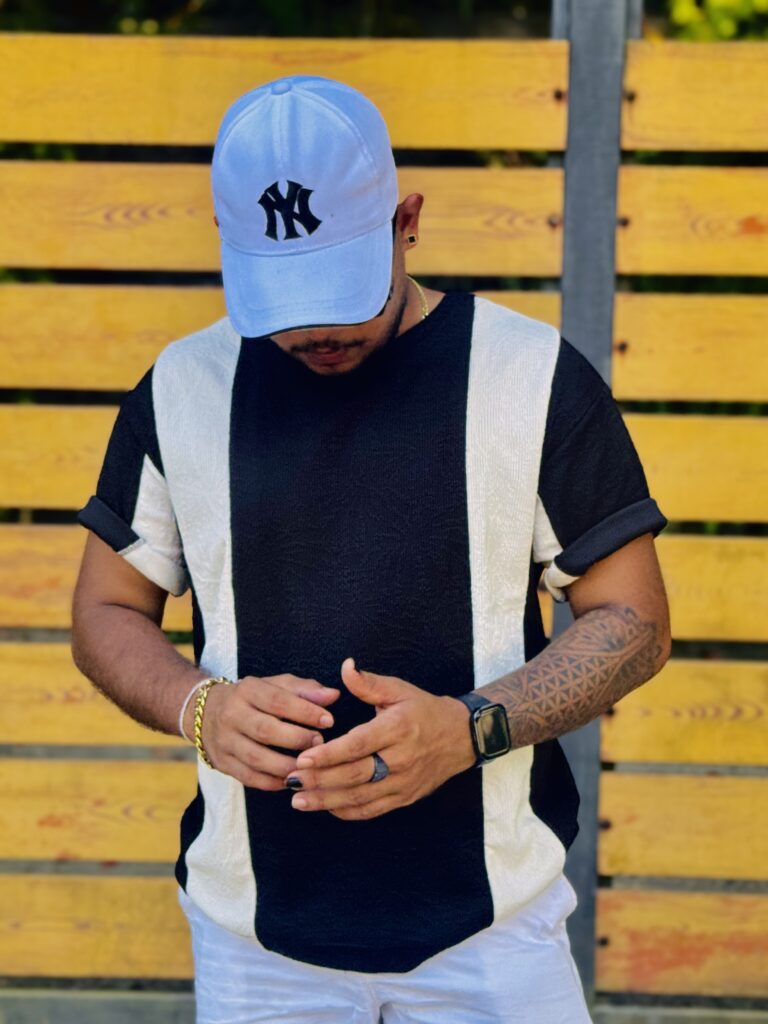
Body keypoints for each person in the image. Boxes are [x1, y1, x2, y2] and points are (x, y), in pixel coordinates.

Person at [71, 75, 671, 1024]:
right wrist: (199, 708)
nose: (314, 329)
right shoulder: (181, 387)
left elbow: (633, 619)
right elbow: (105, 609)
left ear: (407, 223)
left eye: (339, 287)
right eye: (285, 294)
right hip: (252, 940)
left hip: (494, 933)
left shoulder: (530, 375)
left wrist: (470, 729)